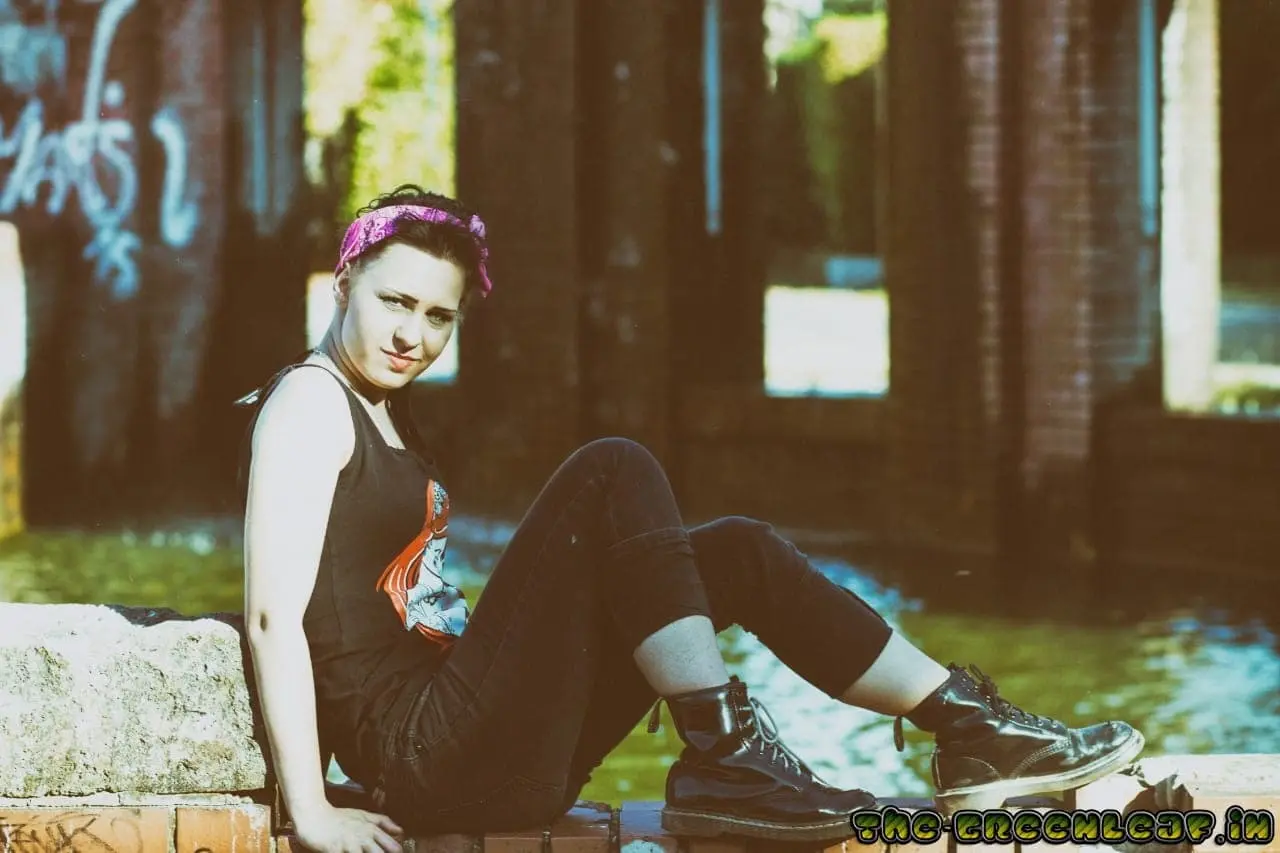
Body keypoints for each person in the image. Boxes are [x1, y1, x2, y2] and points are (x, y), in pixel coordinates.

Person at [237, 184, 1145, 853]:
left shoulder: (386, 410)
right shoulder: (309, 403)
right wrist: (310, 808)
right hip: (427, 755)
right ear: (344, 282)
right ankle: (723, 752)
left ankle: (968, 727)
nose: (414, 334)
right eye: (395, 302)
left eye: (439, 316)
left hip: (486, 744)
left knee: (735, 551)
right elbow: (273, 616)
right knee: (611, 470)